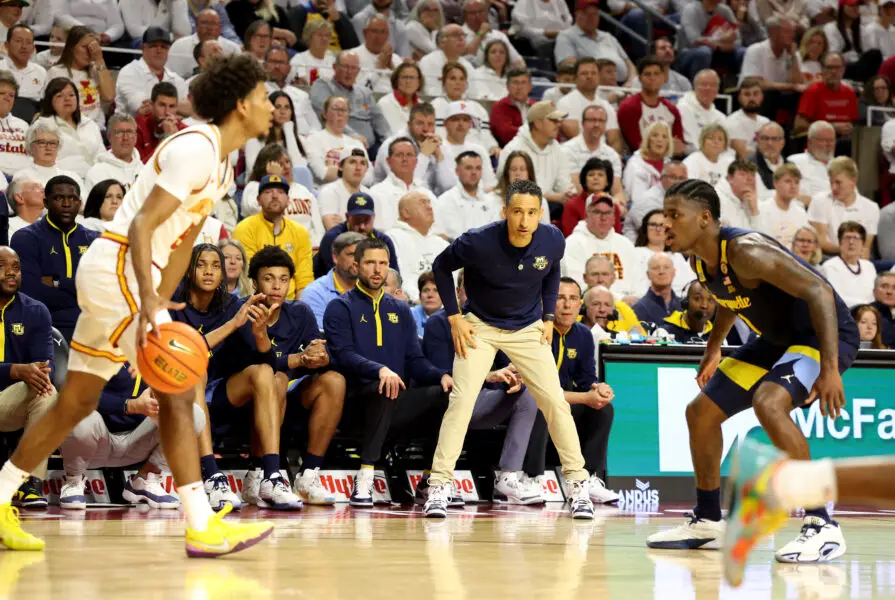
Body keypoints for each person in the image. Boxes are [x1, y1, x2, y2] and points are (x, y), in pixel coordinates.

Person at [0, 53, 278, 555]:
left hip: (127, 273)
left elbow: (182, 242)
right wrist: (150, 299)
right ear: (240, 104)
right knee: (179, 382)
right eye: (262, 97)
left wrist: (162, 298)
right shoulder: (196, 148)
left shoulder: (216, 163)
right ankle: (200, 523)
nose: (271, 106)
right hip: (122, 267)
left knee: (76, 402)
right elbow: (143, 224)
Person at [647, 178, 859, 565]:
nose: (666, 225)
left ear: (706, 218)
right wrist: (714, 348)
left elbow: (819, 292)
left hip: (822, 332)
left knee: (769, 403)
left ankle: (822, 523)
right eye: (665, 217)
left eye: (675, 216)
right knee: (700, 412)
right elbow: (730, 297)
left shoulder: (745, 249)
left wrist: (830, 368)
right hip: (776, 339)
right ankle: (709, 520)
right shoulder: (698, 259)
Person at [423, 179, 595, 519]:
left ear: (540, 214)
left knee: (555, 402)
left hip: (528, 328)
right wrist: (454, 317)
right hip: (481, 327)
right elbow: (441, 267)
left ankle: (578, 485)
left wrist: (548, 315)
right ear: (505, 212)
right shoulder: (478, 241)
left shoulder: (552, 239)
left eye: (532, 213)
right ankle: (439, 485)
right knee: (461, 401)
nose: (524, 220)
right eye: (517, 212)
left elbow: (552, 269)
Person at [323, 237, 451, 507]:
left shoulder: (400, 310)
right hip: (354, 401)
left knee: (446, 395)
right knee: (385, 389)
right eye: (370, 263)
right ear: (357, 266)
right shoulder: (340, 306)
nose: (377, 270)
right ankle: (365, 479)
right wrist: (379, 369)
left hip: (395, 401)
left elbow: (415, 360)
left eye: (383, 263)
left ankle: (431, 480)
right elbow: (343, 355)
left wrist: (440, 375)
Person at [419, 269, 541, 505]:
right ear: (458, 292)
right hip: (450, 402)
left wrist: (517, 376)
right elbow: (442, 374)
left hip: (484, 401)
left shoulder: (499, 323)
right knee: (450, 394)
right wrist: (489, 375)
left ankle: (508, 476)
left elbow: (508, 364)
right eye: (471, 287)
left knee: (528, 394)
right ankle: (438, 480)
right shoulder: (439, 323)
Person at [522, 277, 617, 504]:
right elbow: (534, 387)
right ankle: (532, 478)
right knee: (544, 404)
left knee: (603, 409)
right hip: (527, 401)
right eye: (560, 298)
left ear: (580, 304)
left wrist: (598, 388)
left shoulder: (583, 335)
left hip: (563, 401)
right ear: (546, 302)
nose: (566, 305)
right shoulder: (531, 331)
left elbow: (586, 380)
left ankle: (589, 477)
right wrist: (584, 396)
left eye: (573, 299)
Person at [0, 246, 57, 509]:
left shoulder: (35, 311)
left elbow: (45, 367)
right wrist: (13, 369)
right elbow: (17, 370)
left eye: (16, 267)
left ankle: (30, 482)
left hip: (10, 403)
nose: (10, 273)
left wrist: (30, 372)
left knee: (47, 392)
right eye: (2, 266)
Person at [10, 176, 98, 342]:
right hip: (46, 325)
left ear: (79, 203)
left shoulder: (94, 240)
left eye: (72, 199)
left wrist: (59, 283)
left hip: (90, 324)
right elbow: (31, 292)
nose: (66, 204)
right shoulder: (25, 238)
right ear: (46, 202)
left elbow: (102, 288)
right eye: (58, 198)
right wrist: (80, 294)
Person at [233, 174, 314, 300]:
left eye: (281, 192)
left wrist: (298, 310)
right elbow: (248, 277)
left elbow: (304, 280)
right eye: (268, 191)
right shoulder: (245, 229)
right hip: (254, 301)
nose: (275, 196)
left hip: (291, 303)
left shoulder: (300, 232)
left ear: (288, 201)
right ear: (258, 200)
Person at [497, 101, 573, 219]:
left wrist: (568, 194)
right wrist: (551, 197)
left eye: (559, 121)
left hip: (548, 206)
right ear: (537, 123)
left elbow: (564, 185)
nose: (559, 124)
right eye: (554, 121)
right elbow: (506, 188)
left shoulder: (558, 149)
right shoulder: (512, 150)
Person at [309, 51, 390, 154]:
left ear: (358, 70)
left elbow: (379, 120)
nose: (349, 72)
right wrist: (353, 136)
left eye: (353, 68)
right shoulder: (323, 85)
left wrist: (390, 141)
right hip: (341, 145)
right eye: (345, 67)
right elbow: (329, 117)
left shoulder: (365, 92)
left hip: (371, 148)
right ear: (335, 67)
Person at [562, 194, 640, 298]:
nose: (603, 218)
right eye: (597, 212)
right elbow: (577, 287)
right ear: (586, 215)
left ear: (613, 217)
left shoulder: (625, 244)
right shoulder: (572, 244)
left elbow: (639, 282)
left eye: (608, 213)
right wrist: (619, 299)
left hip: (628, 305)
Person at [807, 156, 879, 256]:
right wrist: (847, 250)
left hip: (857, 259)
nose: (833, 188)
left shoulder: (871, 208)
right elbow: (821, 243)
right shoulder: (819, 201)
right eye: (831, 182)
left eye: (838, 182)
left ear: (853, 181)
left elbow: (865, 248)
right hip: (828, 257)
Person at [315, 191, 399, 276]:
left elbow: (394, 276)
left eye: (366, 220)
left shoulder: (384, 241)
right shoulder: (332, 239)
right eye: (357, 220)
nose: (362, 227)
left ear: (374, 217)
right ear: (347, 217)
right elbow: (337, 277)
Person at [45, 26, 114, 128]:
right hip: (69, 128)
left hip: (97, 129)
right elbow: (51, 108)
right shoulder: (56, 72)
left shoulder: (96, 70)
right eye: (84, 47)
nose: (90, 52)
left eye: (92, 48)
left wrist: (99, 60)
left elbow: (109, 96)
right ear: (71, 47)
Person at [35, 78, 103, 180]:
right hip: (62, 182)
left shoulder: (90, 124)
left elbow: (101, 155)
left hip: (95, 180)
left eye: (71, 95)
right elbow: (40, 161)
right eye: (60, 96)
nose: (67, 99)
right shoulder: (43, 126)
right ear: (50, 101)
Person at [386, 191, 448, 303]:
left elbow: (455, 277)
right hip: (411, 305)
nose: (429, 207)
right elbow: (398, 278)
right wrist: (417, 300)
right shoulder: (392, 238)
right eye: (423, 203)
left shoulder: (441, 244)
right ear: (406, 212)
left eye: (429, 203)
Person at [114, 27, 190, 118]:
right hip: (131, 129)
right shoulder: (129, 72)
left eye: (163, 47)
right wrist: (176, 109)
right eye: (153, 46)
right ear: (143, 48)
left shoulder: (176, 79)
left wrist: (159, 105)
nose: (159, 51)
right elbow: (142, 110)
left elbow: (190, 109)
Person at [616, 56, 685, 155]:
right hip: (640, 162)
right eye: (647, 74)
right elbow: (637, 145)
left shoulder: (672, 110)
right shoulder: (629, 107)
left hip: (670, 163)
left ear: (664, 78)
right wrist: (670, 146)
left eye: (656, 74)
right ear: (640, 79)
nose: (652, 78)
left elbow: (680, 148)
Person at [369, 137, 437, 231]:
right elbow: (381, 232)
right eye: (399, 155)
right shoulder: (376, 193)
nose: (405, 159)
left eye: (409, 155)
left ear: (416, 161)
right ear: (389, 161)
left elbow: (439, 232)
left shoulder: (428, 195)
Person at [301, 231, 365, 329]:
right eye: (351, 254)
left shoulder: (371, 287)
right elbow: (319, 336)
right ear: (335, 257)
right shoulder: (314, 293)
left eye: (361, 255)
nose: (357, 260)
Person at [555, 58, 621, 152]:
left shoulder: (606, 106)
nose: (589, 76)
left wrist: (613, 157)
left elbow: (614, 140)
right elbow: (575, 135)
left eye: (593, 73)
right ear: (575, 78)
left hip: (604, 156)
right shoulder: (565, 103)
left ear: (599, 77)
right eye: (584, 73)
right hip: (575, 154)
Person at [435, 150, 500, 241]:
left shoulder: (492, 201)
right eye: (469, 168)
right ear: (457, 171)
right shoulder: (445, 200)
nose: (474, 172)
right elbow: (449, 237)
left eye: (478, 168)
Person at [821, 221, 876, 307]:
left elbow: (874, 295)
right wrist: (866, 306)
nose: (851, 242)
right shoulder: (830, 266)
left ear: (863, 243)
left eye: (856, 238)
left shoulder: (869, 266)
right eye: (847, 238)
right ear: (840, 242)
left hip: (870, 314)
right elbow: (837, 298)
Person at [85, 115, 141, 192]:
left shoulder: (144, 170)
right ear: (109, 137)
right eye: (119, 132)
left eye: (129, 132)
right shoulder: (96, 173)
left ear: (135, 137)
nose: (125, 138)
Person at [135, 82, 188, 164]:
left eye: (171, 106)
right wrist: (166, 139)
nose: (167, 112)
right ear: (152, 105)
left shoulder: (184, 131)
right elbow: (140, 169)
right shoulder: (137, 127)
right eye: (162, 105)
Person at [757, 164, 809, 246]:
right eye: (788, 181)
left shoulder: (801, 212)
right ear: (775, 183)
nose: (793, 186)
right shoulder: (762, 209)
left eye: (796, 182)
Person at [678, 69, 725, 155]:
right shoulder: (684, 108)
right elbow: (694, 145)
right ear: (694, 87)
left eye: (713, 85)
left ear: (718, 89)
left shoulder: (720, 117)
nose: (708, 88)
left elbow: (725, 147)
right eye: (703, 84)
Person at [787, 120, 835, 199]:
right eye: (824, 140)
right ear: (810, 142)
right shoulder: (794, 162)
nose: (829, 144)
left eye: (831, 140)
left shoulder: (841, 164)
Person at [724, 79, 771, 159]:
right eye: (747, 94)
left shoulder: (766, 122)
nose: (751, 98)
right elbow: (744, 154)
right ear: (739, 98)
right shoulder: (732, 121)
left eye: (755, 94)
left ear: (762, 97)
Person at [0, 25, 45, 106]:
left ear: (33, 48)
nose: (24, 46)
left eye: (28, 42)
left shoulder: (41, 72)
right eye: (18, 41)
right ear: (7, 45)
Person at [489, 67, 534, 146]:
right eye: (515, 82)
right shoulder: (498, 107)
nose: (519, 87)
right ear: (507, 86)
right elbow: (507, 134)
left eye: (523, 82)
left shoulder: (537, 107)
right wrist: (537, 133)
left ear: (530, 87)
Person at [632, 253, 681, 324]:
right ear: (648, 275)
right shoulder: (638, 309)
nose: (661, 271)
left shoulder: (684, 308)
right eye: (656, 268)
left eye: (666, 267)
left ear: (674, 273)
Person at [377, 63, 424, 136]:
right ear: (396, 80)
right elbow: (387, 135)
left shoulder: (423, 105)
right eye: (404, 77)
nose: (408, 81)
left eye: (412, 78)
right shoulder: (384, 103)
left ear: (419, 82)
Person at [0, 69, 28, 177]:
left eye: (11, 95)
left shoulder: (23, 125)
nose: (7, 98)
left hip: (22, 179)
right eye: (2, 93)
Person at [411, 271, 442, 337]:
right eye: (425, 290)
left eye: (436, 290)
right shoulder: (409, 314)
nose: (430, 295)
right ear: (420, 296)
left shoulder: (452, 318)